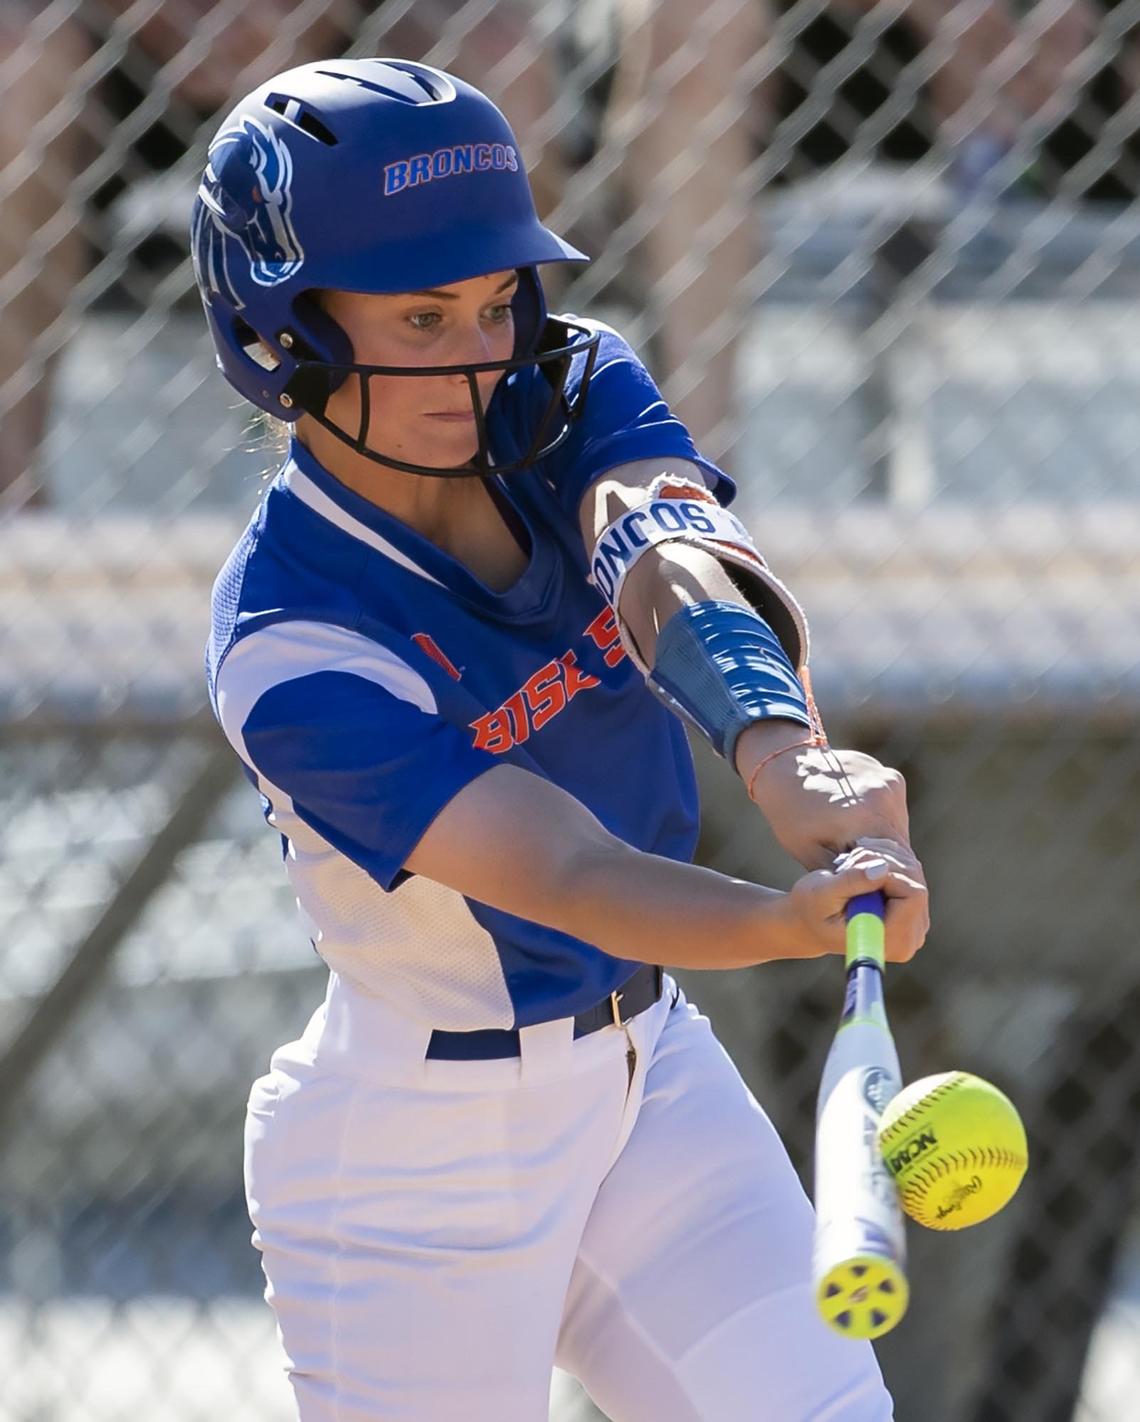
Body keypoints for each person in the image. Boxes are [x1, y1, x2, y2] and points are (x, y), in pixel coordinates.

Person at [195, 58, 929, 1421]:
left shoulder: (567, 386)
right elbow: (571, 874)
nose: (475, 354)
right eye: (420, 316)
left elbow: (670, 550)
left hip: (654, 1087)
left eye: (492, 301)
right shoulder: (288, 639)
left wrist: (782, 755)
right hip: (418, 1164)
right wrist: (788, 919)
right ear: (281, 329)